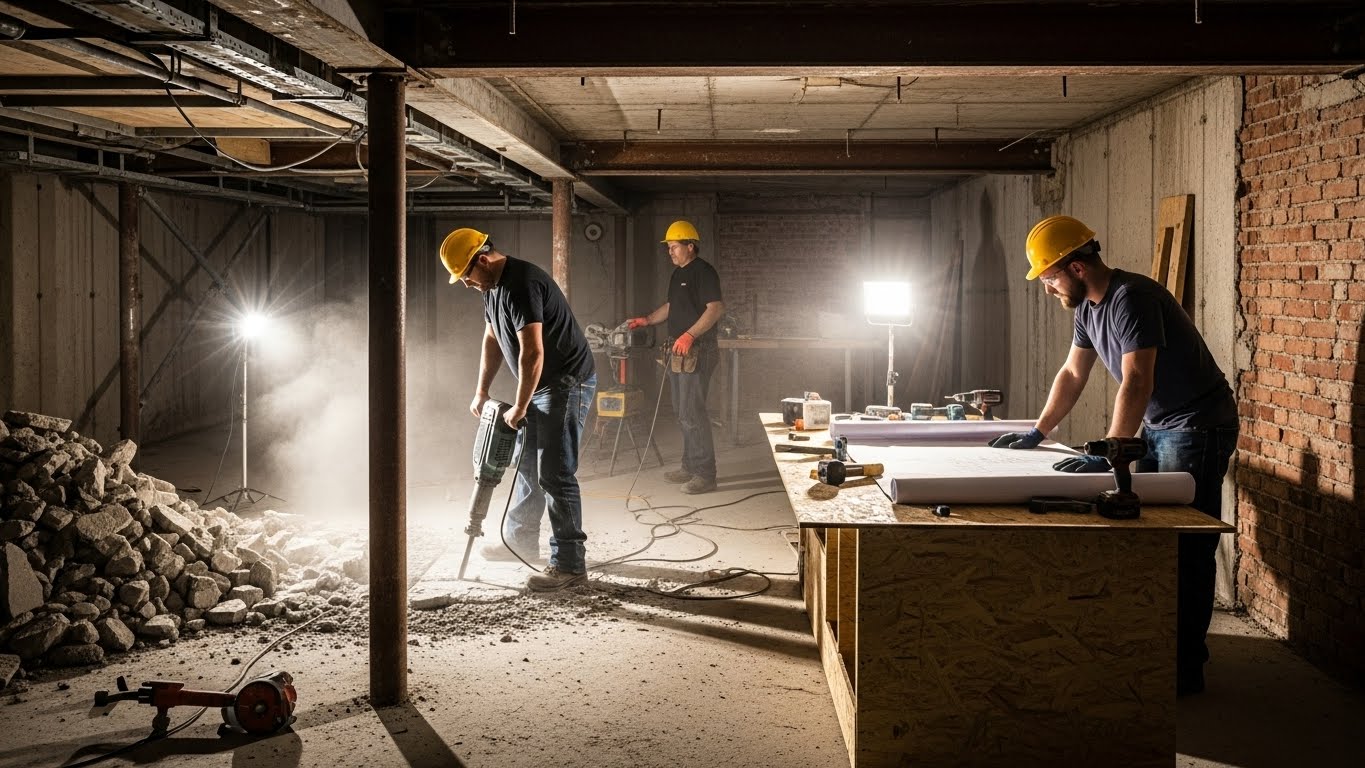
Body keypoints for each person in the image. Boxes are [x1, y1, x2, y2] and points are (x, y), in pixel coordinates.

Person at [989, 215, 1238, 696]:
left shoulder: (1132, 298)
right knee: (1155, 539)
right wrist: (1039, 431)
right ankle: (1159, 651)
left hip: (1197, 426)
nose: (1047, 289)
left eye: (1049, 278)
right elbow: (1072, 374)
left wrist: (1111, 450)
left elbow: (1137, 380)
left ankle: (1186, 667)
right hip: (1161, 425)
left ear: (1076, 267)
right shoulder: (1088, 308)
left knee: (1188, 544)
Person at [440, 228, 597, 591]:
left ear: (482, 260)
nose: (466, 284)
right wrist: (481, 390)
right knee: (527, 465)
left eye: (466, 276)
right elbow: (493, 338)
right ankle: (520, 541)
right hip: (541, 384)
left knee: (555, 471)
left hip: (566, 382)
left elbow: (533, 352)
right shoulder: (491, 288)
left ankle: (570, 565)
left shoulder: (521, 285)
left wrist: (521, 405)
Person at [625, 220, 725, 494]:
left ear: (690, 246)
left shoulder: (703, 272)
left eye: (674, 246)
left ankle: (706, 474)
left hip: (699, 351)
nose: (670, 251)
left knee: (693, 412)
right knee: (682, 413)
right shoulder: (677, 274)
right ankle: (689, 467)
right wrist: (647, 320)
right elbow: (671, 306)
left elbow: (715, 309)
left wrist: (689, 335)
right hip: (680, 353)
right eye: (668, 247)